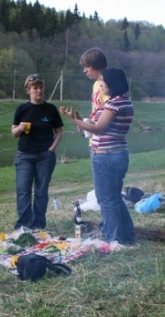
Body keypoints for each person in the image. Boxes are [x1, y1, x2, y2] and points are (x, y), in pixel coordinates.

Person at [60, 68, 136, 245]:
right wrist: (80, 122)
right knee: (115, 197)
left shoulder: (114, 104)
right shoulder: (124, 101)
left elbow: (97, 128)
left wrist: (71, 120)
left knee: (106, 199)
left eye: (104, 81)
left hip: (106, 157)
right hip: (117, 154)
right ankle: (127, 236)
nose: (101, 84)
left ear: (112, 83)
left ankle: (113, 239)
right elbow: (94, 127)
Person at [11, 74, 64, 231]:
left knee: (41, 192)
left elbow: (59, 132)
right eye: (35, 88)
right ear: (28, 90)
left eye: (40, 87)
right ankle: (24, 226)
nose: (39, 90)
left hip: (45, 156)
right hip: (24, 155)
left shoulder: (50, 109)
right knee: (23, 191)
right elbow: (13, 133)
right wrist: (19, 128)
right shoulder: (22, 109)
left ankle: (38, 225)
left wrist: (51, 149)